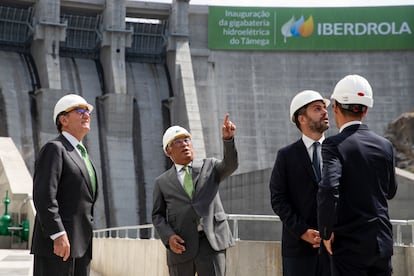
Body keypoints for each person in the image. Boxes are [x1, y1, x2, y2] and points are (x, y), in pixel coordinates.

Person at [317, 74, 398, 276]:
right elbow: (390, 190)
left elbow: (328, 188)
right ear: (366, 109)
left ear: (335, 106)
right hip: (382, 243)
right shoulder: (385, 145)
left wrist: (326, 232)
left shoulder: (333, 145)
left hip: (350, 247)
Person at [152, 113, 238, 276]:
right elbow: (157, 215)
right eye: (177, 142)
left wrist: (228, 140)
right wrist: (169, 237)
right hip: (181, 246)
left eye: (187, 140)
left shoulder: (210, 166)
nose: (184, 144)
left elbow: (230, 165)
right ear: (168, 151)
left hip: (211, 242)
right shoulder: (162, 182)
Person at [31, 94, 98, 276]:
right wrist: (57, 234)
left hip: (81, 247)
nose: (86, 115)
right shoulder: (55, 149)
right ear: (63, 119)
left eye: (88, 111)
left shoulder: (83, 156)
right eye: (80, 110)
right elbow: (44, 196)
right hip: (58, 248)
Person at [269, 90, 331, 276]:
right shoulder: (286, 156)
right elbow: (278, 199)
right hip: (298, 251)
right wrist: (302, 231)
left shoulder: (339, 151)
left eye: (324, 108)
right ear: (302, 118)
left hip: (335, 248)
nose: (325, 112)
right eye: (317, 109)